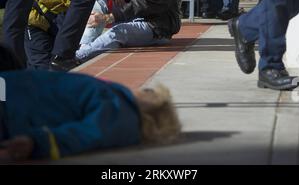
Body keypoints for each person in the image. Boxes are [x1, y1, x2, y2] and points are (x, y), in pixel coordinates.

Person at [0, 69, 181, 161]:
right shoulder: (116, 99)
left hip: (13, 105)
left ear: (150, 108)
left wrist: (39, 142)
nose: (142, 89)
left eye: (149, 92)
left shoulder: (123, 114)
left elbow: (86, 134)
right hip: (14, 93)